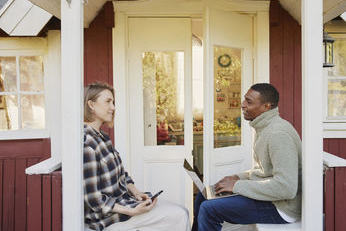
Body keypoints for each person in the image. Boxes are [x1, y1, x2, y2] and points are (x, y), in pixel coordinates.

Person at [192, 83, 302, 231]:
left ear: (266, 106)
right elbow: (263, 171)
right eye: (245, 100)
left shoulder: (278, 134)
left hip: (281, 207)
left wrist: (237, 186)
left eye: (249, 102)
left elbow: (286, 188)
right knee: (203, 195)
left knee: (209, 209)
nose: (242, 105)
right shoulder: (263, 128)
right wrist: (238, 177)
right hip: (269, 198)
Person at [83, 82, 190, 231]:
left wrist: (137, 193)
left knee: (181, 211)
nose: (113, 107)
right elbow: (94, 200)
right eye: (108, 101)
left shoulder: (104, 138)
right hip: (108, 220)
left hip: (126, 205)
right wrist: (132, 211)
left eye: (113, 102)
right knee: (179, 215)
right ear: (91, 105)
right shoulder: (87, 144)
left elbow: (123, 177)